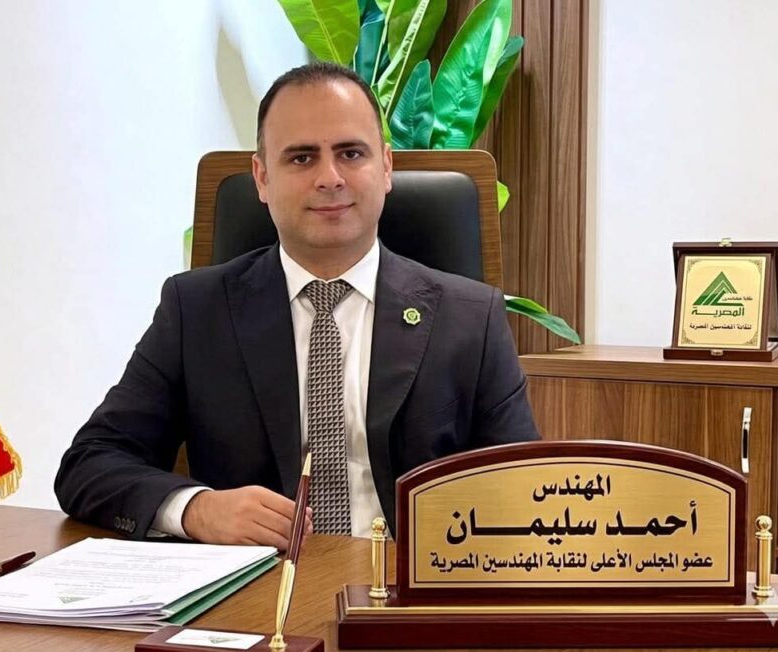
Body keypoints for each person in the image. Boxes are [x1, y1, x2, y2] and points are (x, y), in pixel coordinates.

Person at [54, 62, 539, 550]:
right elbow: (90, 463)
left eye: (351, 153)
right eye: (302, 158)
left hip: (407, 583)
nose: (330, 177)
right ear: (262, 178)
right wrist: (197, 509)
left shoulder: (470, 318)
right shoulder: (196, 311)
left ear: (386, 167)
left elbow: (524, 489)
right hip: (256, 586)